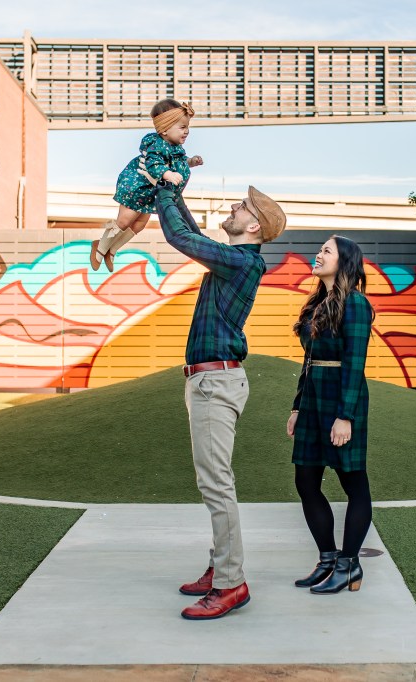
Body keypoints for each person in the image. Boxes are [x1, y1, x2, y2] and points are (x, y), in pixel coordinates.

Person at [151, 177, 287, 620]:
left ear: (255, 227)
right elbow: (192, 234)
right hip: (209, 381)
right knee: (213, 480)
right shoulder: (233, 260)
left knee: (216, 483)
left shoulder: (242, 262)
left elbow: (180, 238)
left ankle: (231, 583)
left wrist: (162, 189)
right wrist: (174, 192)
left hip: (216, 382)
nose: (234, 207)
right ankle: (220, 567)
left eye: (243, 206)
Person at [287, 235, 375, 594]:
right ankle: (327, 559)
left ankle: (349, 564)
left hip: (341, 401)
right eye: (320, 249)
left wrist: (346, 416)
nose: (318, 254)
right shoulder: (316, 305)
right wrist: (297, 406)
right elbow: (309, 361)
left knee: (354, 483)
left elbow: (355, 363)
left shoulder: (356, 304)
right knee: (305, 482)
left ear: (345, 262)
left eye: (327, 251)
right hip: (313, 401)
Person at [90, 99, 203, 271]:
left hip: (150, 193)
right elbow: (154, 164)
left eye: (187, 127)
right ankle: (100, 246)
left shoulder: (176, 148)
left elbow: (178, 162)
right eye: (182, 127)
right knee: (124, 220)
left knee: (139, 225)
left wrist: (191, 162)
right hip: (137, 187)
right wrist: (168, 174)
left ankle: (112, 250)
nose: (187, 131)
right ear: (164, 129)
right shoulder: (156, 144)